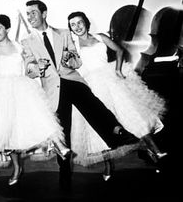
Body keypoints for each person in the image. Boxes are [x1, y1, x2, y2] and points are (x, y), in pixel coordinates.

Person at [21, 0, 142, 187]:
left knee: (94, 105)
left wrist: (70, 59)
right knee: (64, 130)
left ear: (44, 14)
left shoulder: (63, 33)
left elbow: (76, 61)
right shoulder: (27, 41)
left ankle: (118, 132)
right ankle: (64, 170)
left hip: (73, 81)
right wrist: (38, 68)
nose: (29, 17)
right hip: (54, 89)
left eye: (33, 13)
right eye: (27, 14)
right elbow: (28, 69)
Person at [0, 14, 70, 186]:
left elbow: (29, 68)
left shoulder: (19, 47)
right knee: (7, 133)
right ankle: (17, 168)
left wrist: (38, 67)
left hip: (22, 89)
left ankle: (59, 145)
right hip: (1, 94)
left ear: (7, 29)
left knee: (40, 117)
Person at [67, 11, 167, 177]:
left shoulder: (100, 37)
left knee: (132, 114)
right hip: (91, 85)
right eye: (73, 24)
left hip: (109, 79)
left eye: (79, 22)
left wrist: (118, 70)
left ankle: (156, 151)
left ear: (86, 22)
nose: (77, 27)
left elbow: (119, 50)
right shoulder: (72, 45)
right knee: (100, 125)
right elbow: (71, 66)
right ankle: (108, 166)